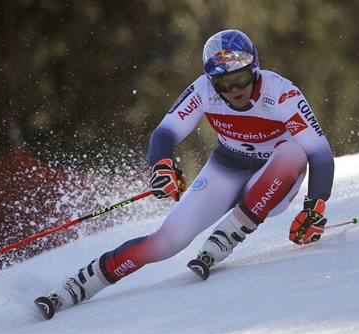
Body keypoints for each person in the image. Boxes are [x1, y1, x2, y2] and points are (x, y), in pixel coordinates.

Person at [37, 29, 334, 315]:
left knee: (294, 151)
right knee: (165, 242)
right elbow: (165, 131)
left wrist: (315, 205)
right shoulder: (204, 90)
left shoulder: (282, 94)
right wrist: (162, 164)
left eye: (241, 78)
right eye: (223, 83)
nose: (234, 90)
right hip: (227, 166)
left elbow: (319, 153)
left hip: (276, 181)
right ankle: (78, 285)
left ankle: (230, 234)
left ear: (255, 69)